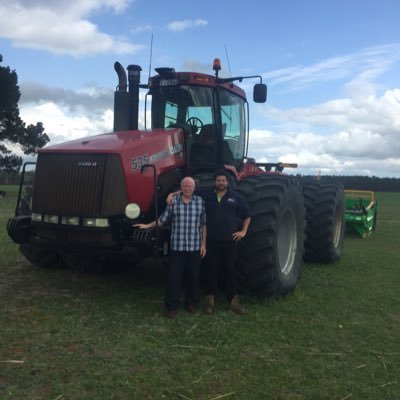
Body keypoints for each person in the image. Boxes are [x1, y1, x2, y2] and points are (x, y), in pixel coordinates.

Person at [168, 169, 251, 315]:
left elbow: (247, 215)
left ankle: (233, 302)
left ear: (227, 182)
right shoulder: (206, 194)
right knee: (211, 270)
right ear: (215, 182)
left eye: (223, 181)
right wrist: (171, 194)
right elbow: (187, 191)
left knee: (230, 270)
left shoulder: (235, 197)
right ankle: (209, 302)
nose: (220, 183)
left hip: (229, 241)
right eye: (218, 180)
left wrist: (243, 231)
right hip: (212, 241)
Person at [134, 177, 206, 318]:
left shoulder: (200, 202)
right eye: (184, 186)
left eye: (190, 186)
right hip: (177, 247)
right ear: (181, 187)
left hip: (194, 247)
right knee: (174, 278)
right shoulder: (173, 203)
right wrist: (147, 225)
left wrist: (204, 244)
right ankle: (172, 306)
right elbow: (161, 220)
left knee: (193, 277)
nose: (187, 188)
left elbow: (204, 224)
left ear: (194, 188)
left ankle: (191, 303)